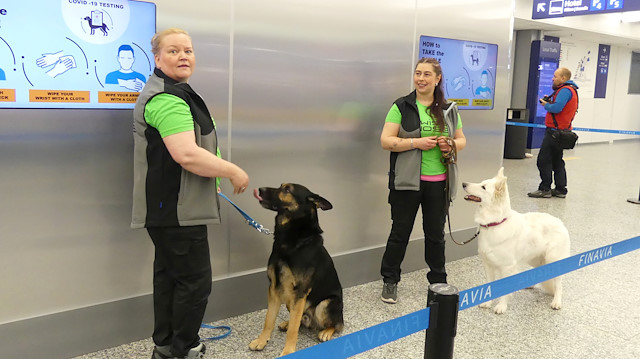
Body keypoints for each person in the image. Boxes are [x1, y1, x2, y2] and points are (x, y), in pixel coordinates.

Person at [131, 28, 250, 359]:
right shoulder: (166, 99)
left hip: (171, 209)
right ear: (157, 58)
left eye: (188, 50)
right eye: (173, 51)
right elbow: (187, 155)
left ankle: (167, 346)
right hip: (178, 212)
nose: (183, 56)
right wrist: (233, 171)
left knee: (171, 279)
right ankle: (183, 349)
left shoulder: (175, 92)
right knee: (195, 282)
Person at [379, 57, 466, 304]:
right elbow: (386, 141)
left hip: (439, 183)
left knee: (435, 235)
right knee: (400, 232)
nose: (421, 78)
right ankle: (390, 280)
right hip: (406, 183)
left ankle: (438, 279)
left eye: (427, 74)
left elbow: (461, 140)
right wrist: (416, 143)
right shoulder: (402, 106)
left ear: (437, 79)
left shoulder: (449, 109)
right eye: (418, 73)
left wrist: (449, 143)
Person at [528, 67, 578, 199]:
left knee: (543, 161)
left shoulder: (565, 90)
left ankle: (545, 189)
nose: (553, 78)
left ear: (563, 78)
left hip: (554, 133)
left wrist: (546, 105)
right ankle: (561, 190)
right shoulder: (571, 90)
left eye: (555, 76)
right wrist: (550, 102)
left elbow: (556, 108)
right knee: (557, 161)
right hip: (562, 131)